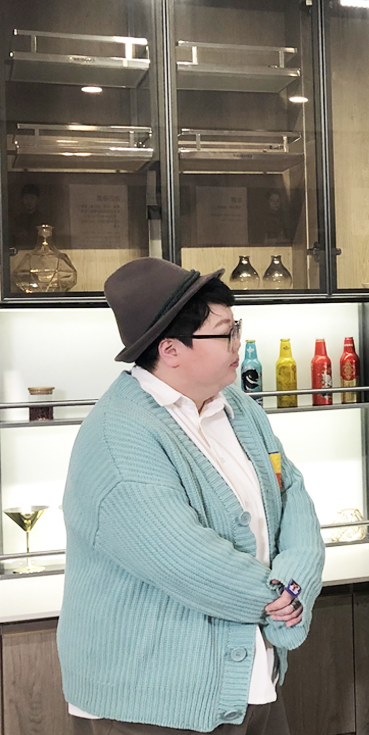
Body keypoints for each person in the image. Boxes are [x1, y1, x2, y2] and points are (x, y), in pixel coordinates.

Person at [58, 258, 326, 734]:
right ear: (171, 350)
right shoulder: (119, 435)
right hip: (154, 699)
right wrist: (280, 599)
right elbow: (184, 560)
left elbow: (292, 495)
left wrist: (296, 582)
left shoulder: (237, 406)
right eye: (224, 333)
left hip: (252, 680)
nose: (238, 344)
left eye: (236, 327)